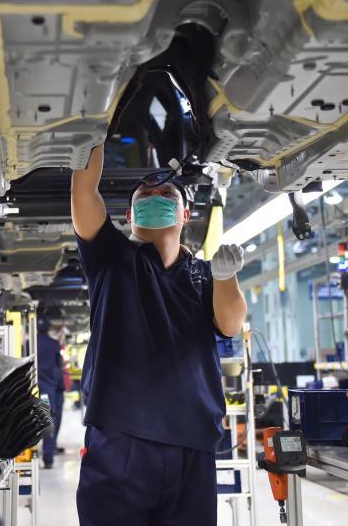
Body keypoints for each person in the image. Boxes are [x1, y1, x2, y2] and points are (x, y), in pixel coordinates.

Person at [71, 145, 247, 526]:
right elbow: (84, 191)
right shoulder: (110, 258)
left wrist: (226, 278)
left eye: (167, 193)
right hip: (120, 439)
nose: (155, 197)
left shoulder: (203, 275)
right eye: (144, 196)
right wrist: (93, 128)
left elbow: (231, 325)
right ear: (129, 216)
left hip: (192, 446)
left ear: (185, 214)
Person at [37, 315, 66, 468]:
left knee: (42, 420)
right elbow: (58, 365)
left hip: (35, 389)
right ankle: (48, 458)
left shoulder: (29, 343)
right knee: (49, 420)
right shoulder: (54, 344)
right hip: (49, 391)